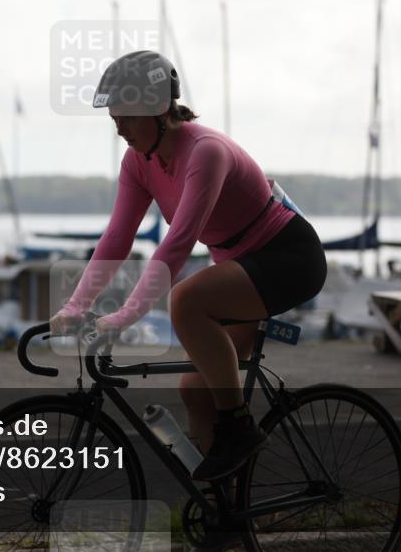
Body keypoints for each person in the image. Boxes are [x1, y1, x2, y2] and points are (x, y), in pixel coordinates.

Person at [50, 50, 327, 481]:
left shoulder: (206, 152)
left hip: (287, 257)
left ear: (160, 110)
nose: (119, 128)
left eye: (127, 116)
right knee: (196, 391)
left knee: (188, 300)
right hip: (241, 264)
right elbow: (116, 239)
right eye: (114, 118)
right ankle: (226, 510)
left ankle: (239, 429)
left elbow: (177, 244)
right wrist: (74, 306)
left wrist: (123, 316)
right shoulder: (138, 161)